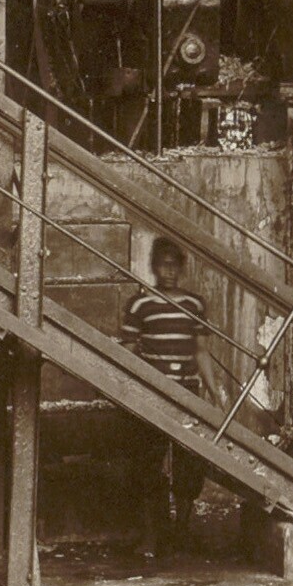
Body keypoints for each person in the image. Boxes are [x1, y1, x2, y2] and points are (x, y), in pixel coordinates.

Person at [119, 238, 212, 556]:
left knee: (190, 461)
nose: (169, 272)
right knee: (147, 462)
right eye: (163, 265)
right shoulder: (139, 305)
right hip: (152, 394)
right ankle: (150, 535)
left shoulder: (194, 305)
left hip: (187, 392)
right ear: (154, 267)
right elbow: (129, 351)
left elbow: (201, 352)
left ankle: (181, 532)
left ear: (181, 268)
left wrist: (216, 394)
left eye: (174, 266)